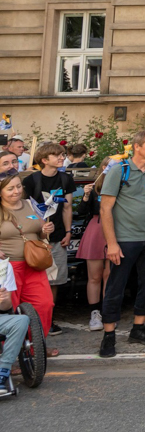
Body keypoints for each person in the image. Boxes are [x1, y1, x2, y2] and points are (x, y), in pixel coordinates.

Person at [98, 131, 145, 358]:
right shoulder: (119, 170)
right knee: (116, 287)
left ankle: (139, 328)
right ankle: (109, 336)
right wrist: (112, 244)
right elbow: (105, 209)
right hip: (125, 240)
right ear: (137, 146)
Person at [0, 175, 56, 357]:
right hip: (8, 268)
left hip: (34, 265)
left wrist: (45, 231)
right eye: (10, 189)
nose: (16, 191)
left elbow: (40, 232)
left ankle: (35, 346)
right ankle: (8, 354)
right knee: (8, 309)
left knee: (45, 304)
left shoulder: (29, 204)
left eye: (18, 187)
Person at [21, 143, 74, 336]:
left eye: (62, 155)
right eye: (57, 155)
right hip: (35, 240)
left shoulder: (65, 179)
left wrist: (68, 232)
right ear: (44, 160)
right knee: (34, 281)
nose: (62, 158)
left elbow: (67, 207)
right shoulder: (31, 180)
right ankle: (32, 320)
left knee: (54, 280)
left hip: (57, 237)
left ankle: (48, 320)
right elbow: (25, 208)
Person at [75, 169, 110, 331]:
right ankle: (95, 313)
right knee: (94, 276)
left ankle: (108, 311)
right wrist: (86, 196)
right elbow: (80, 211)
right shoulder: (95, 189)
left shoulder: (122, 188)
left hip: (116, 229)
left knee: (110, 275)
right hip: (96, 230)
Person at [0, 256, 33, 398]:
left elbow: (7, 307)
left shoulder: (4, 267)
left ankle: (3, 371)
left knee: (21, 320)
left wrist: (4, 300)